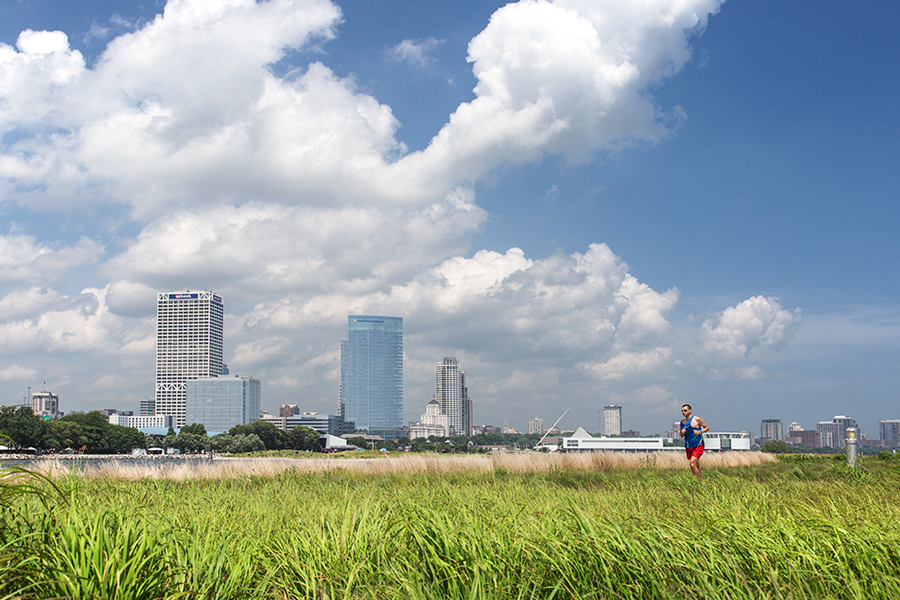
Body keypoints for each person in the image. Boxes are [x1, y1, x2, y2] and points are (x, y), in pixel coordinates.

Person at [680, 404, 709, 480]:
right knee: (696, 465)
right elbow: (681, 435)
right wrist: (682, 433)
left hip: (698, 444)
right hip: (689, 445)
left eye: (685, 410)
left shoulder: (696, 419)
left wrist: (699, 432)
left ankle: (699, 481)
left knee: (692, 464)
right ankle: (701, 479)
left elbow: (707, 428)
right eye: (682, 411)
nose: (683, 412)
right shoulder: (682, 423)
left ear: (690, 411)